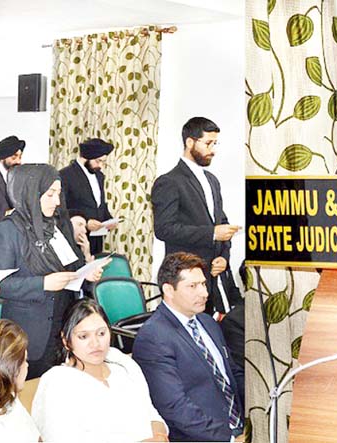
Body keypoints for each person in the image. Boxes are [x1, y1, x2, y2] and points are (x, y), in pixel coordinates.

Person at [0, 164, 106, 379]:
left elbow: (73, 266)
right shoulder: (7, 231)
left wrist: (86, 274)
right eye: (50, 194)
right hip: (29, 333)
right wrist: (43, 284)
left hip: (63, 326)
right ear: (29, 193)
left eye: (58, 194)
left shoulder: (57, 226)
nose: (57, 202)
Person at [133, 252, 244, 442]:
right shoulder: (153, 337)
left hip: (240, 425)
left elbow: (233, 373)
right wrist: (230, 439)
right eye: (192, 286)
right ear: (168, 290)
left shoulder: (207, 322)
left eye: (203, 283)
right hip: (203, 437)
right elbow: (175, 406)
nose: (204, 293)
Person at [31, 299, 168, 442]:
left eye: (101, 333)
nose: (95, 344)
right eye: (84, 336)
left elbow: (151, 413)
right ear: (66, 341)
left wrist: (158, 437)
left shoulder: (122, 362)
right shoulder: (57, 382)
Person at [151, 117, 242, 315]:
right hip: (185, 280)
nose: (213, 150)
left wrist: (223, 257)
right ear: (190, 142)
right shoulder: (168, 181)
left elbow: (221, 224)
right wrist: (211, 234)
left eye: (215, 143)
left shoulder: (212, 180)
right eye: (208, 143)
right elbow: (164, 229)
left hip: (213, 277)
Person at [59, 138, 115, 256]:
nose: (101, 166)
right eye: (98, 161)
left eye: (103, 162)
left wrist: (109, 220)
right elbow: (60, 209)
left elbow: (99, 204)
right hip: (76, 238)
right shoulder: (65, 175)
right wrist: (86, 222)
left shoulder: (99, 176)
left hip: (96, 240)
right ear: (86, 157)